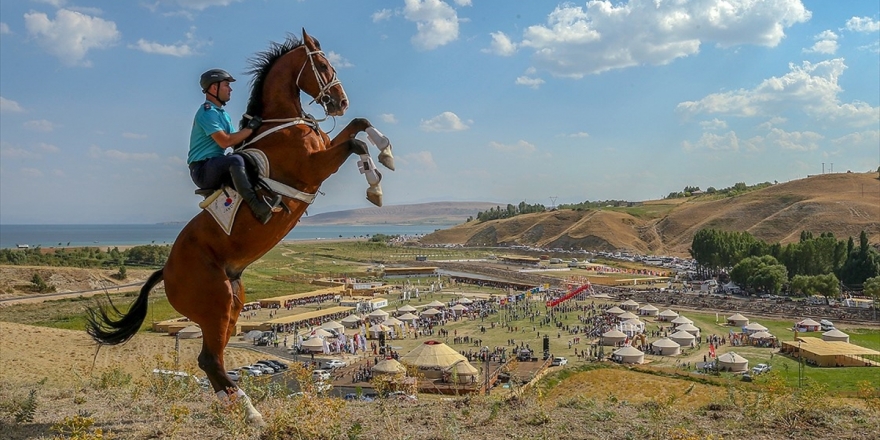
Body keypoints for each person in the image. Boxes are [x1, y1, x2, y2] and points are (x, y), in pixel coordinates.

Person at [188, 68, 281, 224]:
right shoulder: (207, 113)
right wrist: (250, 128)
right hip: (202, 170)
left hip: (215, 165)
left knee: (245, 159)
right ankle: (258, 208)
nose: (230, 89)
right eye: (226, 85)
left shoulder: (222, 114)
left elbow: (236, 141)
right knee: (235, 161)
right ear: (214, 88)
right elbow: (226, 141)